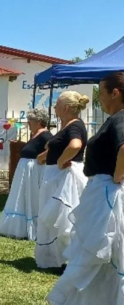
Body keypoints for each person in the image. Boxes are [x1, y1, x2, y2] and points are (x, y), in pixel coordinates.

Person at [46, 72, 124, 305]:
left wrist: (118, 175)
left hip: (107, 192)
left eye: (101, 93)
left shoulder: (121, 118)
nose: (98, 99)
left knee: (101, 250)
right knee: (102, 254)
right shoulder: (114, 119)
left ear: (115, 93)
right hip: (102, 189)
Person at [34, 91, 89, 270]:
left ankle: (65, 257)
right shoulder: (68, 126)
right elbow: (59, 147)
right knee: (53, 218)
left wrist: (60, 161)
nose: (54, 106)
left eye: (57, 103)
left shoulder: (74, 126)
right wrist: (44, 156)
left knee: (60, 218)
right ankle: (53, 257)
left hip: (63, 178)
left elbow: (75, 145)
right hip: (55, 176)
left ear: (66, 108)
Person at [0, 109, 53, 240]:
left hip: (33, 171)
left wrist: (41, 158)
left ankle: (33, 226)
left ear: (39, 122)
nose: (28, 123)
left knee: (31, 197)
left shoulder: (45, 135)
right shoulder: (36, 134)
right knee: (21, 196)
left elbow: (53, 149)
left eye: (30, 121)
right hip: (25, 170)